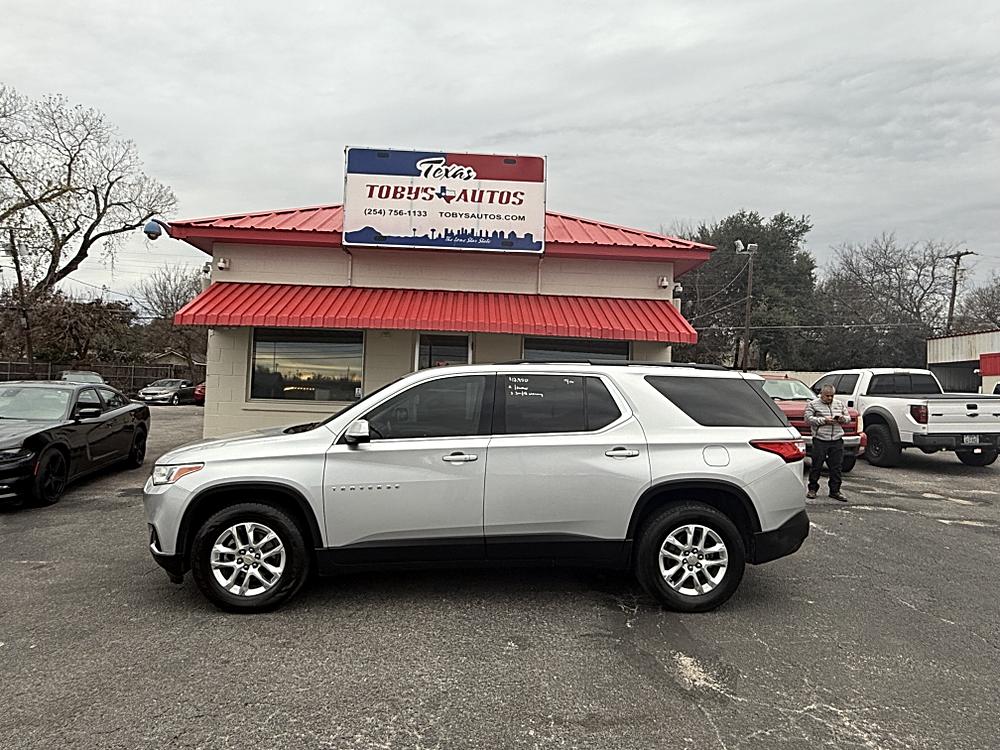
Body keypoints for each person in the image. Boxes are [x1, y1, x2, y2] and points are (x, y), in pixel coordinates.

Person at [804, 384, 851, 501]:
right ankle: (812, 489)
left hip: (836, 439)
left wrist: (842, 419)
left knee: (836, 466)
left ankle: (835, 491)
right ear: (821, 394)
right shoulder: (813, 404)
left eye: (832, 396)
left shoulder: (839, 404)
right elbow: (808, 419)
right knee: (817, 465)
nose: (830, 398)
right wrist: (823, 420)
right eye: (827, 396)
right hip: (820, 439)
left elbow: (848, 418)